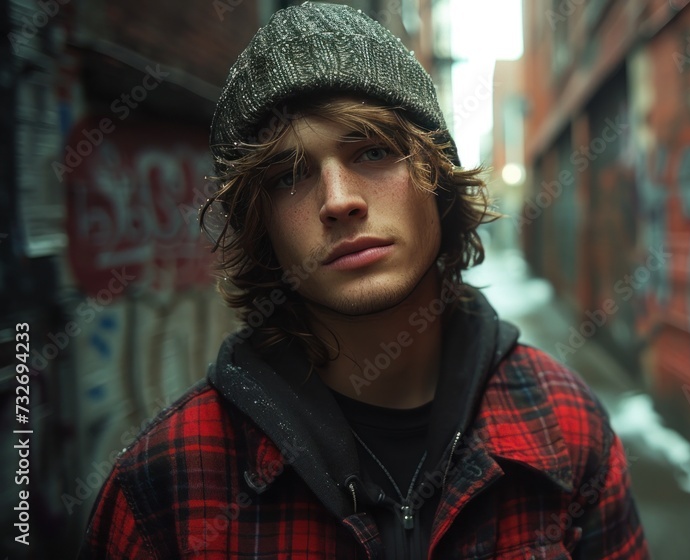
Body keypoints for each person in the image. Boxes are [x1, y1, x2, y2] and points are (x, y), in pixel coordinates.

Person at [78, 2, 648, 558]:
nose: (339, 201)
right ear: (262, 228)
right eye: (288, 176)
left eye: (373, 151)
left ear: (437, 179)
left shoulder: (566, 428)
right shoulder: (166, 486)